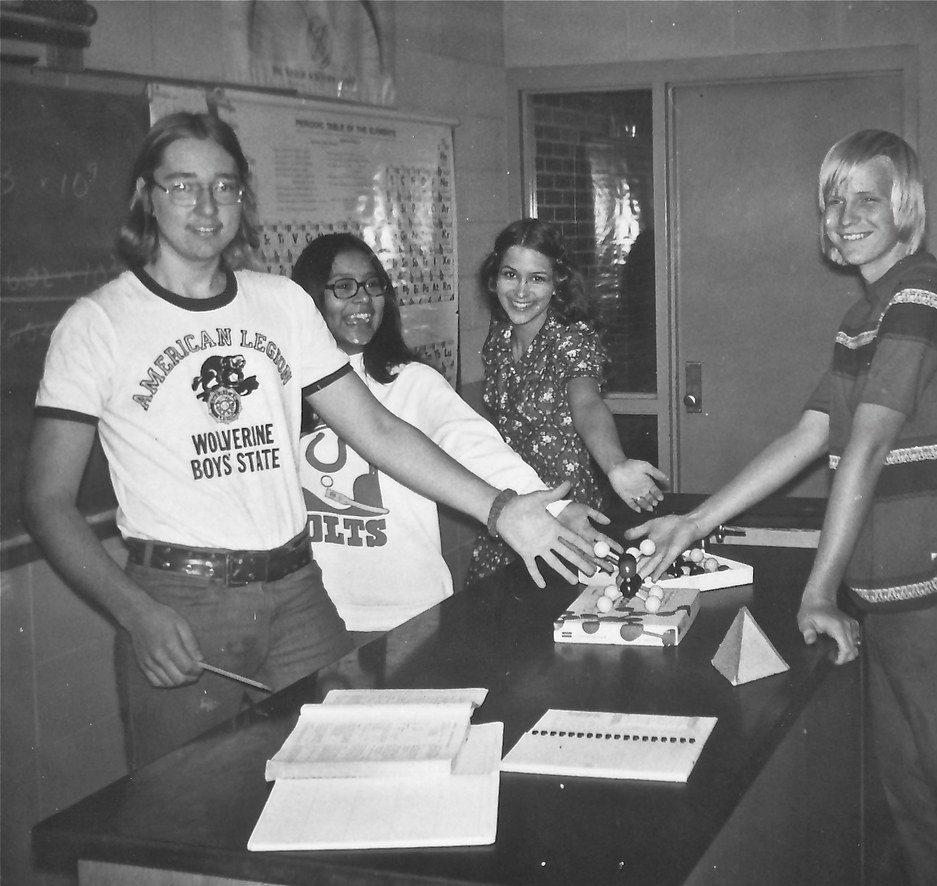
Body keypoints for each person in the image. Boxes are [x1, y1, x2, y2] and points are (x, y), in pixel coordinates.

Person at [22, 112, 594, 769]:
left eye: (225, 186)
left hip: (299, 590)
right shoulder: (98, 323)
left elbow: (377, 430)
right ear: (145, 197)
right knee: (188, 805)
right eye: (182, 186)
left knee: (335, 777)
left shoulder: (283, 304)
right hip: (182, 599)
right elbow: (46, 499)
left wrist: (500, 509)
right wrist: (134, 611)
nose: (206, 206)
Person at [628, 130, 937, 886]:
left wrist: (816, 590)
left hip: (936, 595)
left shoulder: (923, 293)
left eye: (865, 198)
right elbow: (809, 435)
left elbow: (867, 446)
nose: (844, 215)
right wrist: (693, 521)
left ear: (906, 207)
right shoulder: (862, 318)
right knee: (912, 794)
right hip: (890, 598)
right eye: (832, 199)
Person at [292, 233, 617, 636]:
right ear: (310, 296)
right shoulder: (282, 388)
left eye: (373, 285)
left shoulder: (411, 381)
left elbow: (474, 444)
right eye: (344, 286)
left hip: (404, 612)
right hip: (312, 611)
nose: (362, 299)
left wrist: (555, 509)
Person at [466, 218, 669, 583]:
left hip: (567, 513)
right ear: (494, 277)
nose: (521, 291)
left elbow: (587, 404)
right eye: (511, 275)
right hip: (513, 502)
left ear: (557, 283)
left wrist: (616, 464)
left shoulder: (570, 339)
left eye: (537, 278)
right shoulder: (498, 336)